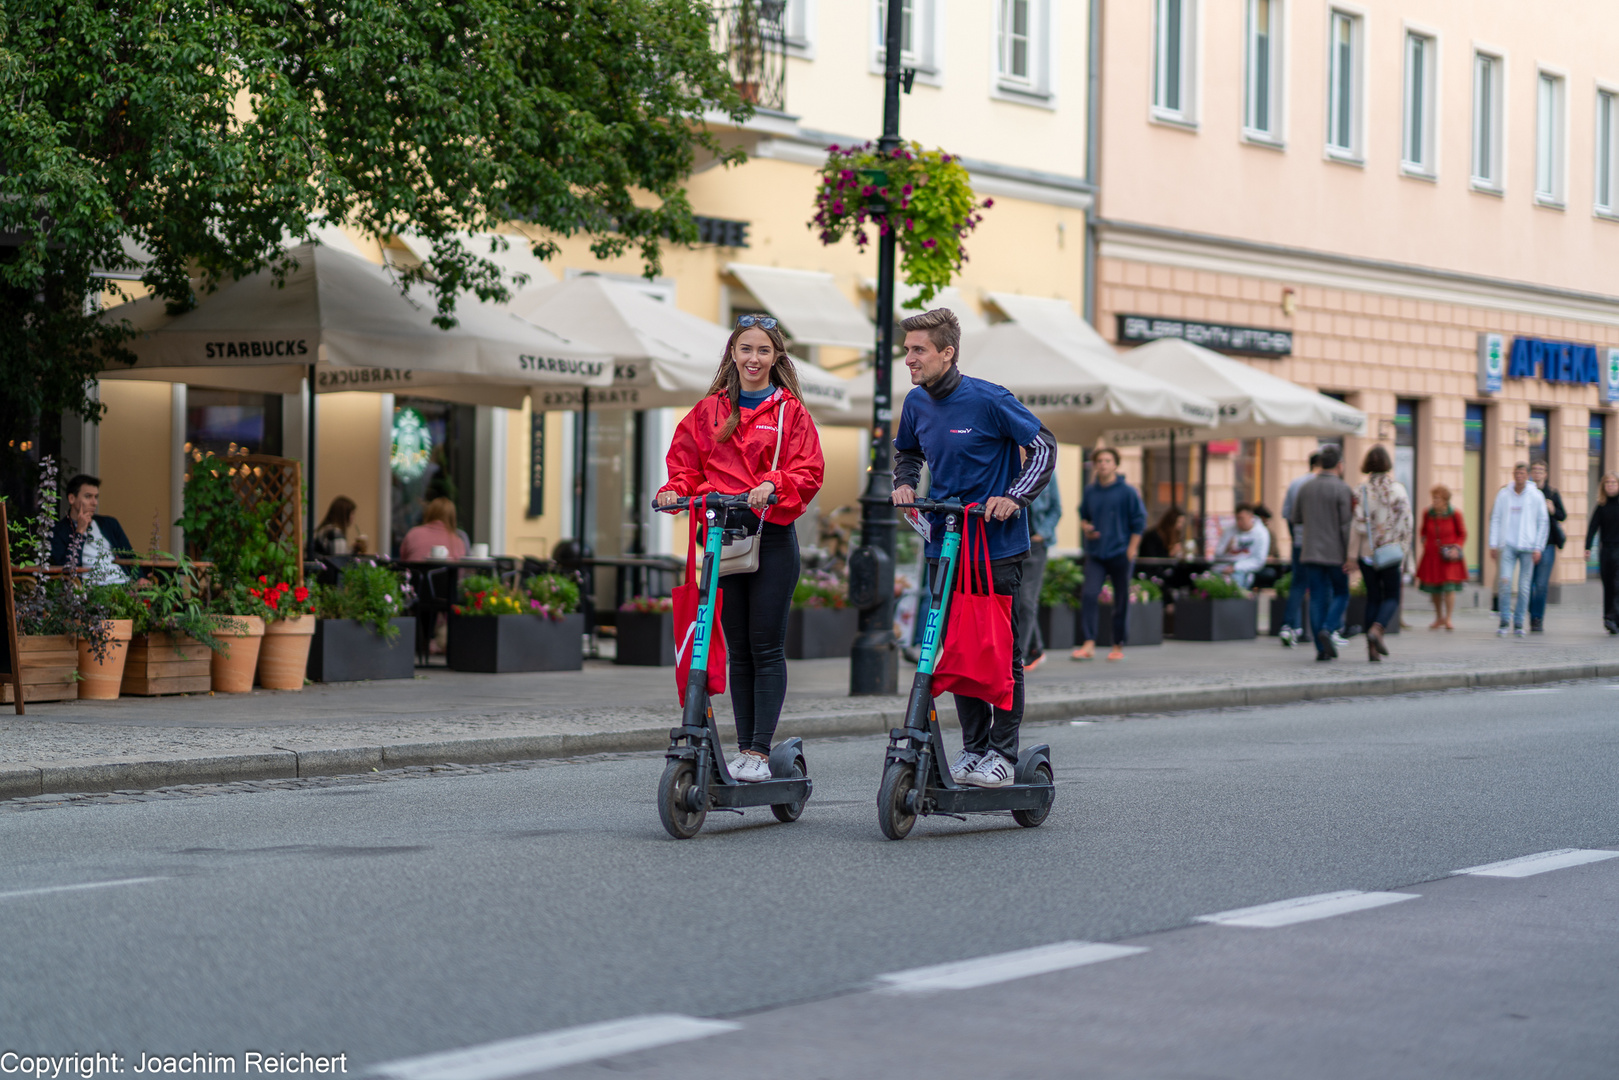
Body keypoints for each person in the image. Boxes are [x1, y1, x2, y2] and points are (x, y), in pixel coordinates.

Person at [892, 308, 1055, 788]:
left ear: (948, 352)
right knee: (956, 648)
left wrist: (1015, 496)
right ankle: (974, 749)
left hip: (996, 546)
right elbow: (908, 451)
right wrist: (904, 484)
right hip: (945, 543)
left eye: (918, 350)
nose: (909, 359)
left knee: (1000, 650)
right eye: (907, 350)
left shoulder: (989, 399)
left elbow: (1043, 446)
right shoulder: (916, 403)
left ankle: (1003, 754)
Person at [658, 314, 825, 783]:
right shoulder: (709, 409)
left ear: (776, 358)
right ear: (733, 353)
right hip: (723, 539)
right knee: (738, 652)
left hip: (770, 538)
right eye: (746, 349)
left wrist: (773, 482)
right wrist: (674, 489)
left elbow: (808, 470)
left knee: (765, 646)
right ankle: (743, 750)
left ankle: (757, 750)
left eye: (764, 351)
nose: (754, 359)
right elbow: (687, 463)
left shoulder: (790, 411)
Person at [1072, 448, 1146, 663]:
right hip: (1096, 552)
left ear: (1115, 464)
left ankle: (1117, 644)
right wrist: (1086, 527)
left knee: (1121, 599)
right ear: (1095, 465)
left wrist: (1131, 550)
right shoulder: (1090, 491)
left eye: (1107, 460)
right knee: (1088, 595)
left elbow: (1139, 522)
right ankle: (1088, 643)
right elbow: (1084, 516)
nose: (1103, 464)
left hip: (1121, 553)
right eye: (1099, 461)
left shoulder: (1128, 492)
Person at [1290, 444, 1352, 661]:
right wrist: (1350, 555)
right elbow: (1346, 525)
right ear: (1339, 465)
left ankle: (1320, 648)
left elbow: (1295, 517)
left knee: (1317, 597)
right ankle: (1328, 627)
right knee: (1342, 593)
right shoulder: (1342, 489)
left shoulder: (1306, 487)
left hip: (1310, 551)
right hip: (1335, 553)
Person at [1351, 446, 1412, 662]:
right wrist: (1404, 552)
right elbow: (1407, 523)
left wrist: (1352, 555)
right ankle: (1377, 629)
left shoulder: (1360, 491)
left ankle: (1371, 650)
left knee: (1373, 597)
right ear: (1387, 464)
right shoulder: (1398, 490)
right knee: (1392, 596)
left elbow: (1355, 526)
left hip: (1367, 553)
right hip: (1390, 552)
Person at [1488, 462, 1548, 638]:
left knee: (1523, 586)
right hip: (1508, 544)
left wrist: (1538, 547)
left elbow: (1542, 522)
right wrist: (1493, 543)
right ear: (1513, 474)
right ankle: (1505, 620)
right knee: (1504, 582)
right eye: (1517, 473)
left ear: (1527, 475)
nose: (1519, 476)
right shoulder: (1504, 494)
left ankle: (1520, 622)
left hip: (1528, 546)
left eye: (1522, 473)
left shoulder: (1535, 496)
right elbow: (1496, 518)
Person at [1014, 473, 1061, 672]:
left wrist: (1043, 533)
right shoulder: (1007, 466)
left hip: (1036, 544)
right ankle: (1037, 649)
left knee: (1025, 601)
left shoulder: (1045, 471)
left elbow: (1056, 509)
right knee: (1016, 600)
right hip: (1011, 544)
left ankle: (1019, 656)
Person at [49, 474, 134, 585]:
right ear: (71, 499)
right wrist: (79, 532)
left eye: (96, 497)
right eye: (88, 496)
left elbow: (131, 557)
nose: (95, 503)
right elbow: (66, 569)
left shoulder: (110, 524)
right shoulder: (58, 532)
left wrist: (141, 578)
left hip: (124, 585)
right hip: (92, 591)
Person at [1277, 452, 1322, 647]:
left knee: (1298, 584)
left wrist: (1295, 535)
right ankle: (1316, 630)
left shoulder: (1296, 483)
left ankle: (1289, 626)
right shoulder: (1319, 484)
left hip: (1299, 541)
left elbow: (1287, 514)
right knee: (1319, 587)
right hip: (1319, 543)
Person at [1416, 484, 1468, 630]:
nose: (1434, 501)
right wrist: (1424, 542)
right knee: (1435, 588)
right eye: (1433, 498)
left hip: (1449, 556)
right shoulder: (1428, 513)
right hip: (1432, 555)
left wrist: (1456, 548)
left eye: (1437, 498)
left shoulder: (1455, 514)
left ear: (1445, 500)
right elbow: (1423, 531)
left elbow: (1462, 534)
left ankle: (1449, 618)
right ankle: (1438, 617)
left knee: (1449, 587)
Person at [1527, 461, 1566, 632]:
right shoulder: (1527, 493)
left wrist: (1552, 510)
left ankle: (1537, 618)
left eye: (1541, 471)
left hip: (1548, 544)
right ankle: (1529, 610)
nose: (1537, 473)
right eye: (1534, 470)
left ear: (1546, 474)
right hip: (1528, 543)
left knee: (1541, 584)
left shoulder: (1552, 493)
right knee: (1527, 583)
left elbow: (1562, 515)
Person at [1586, 472, 1619, 634]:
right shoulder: (1601, 506)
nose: (1611, 485)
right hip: (1606, 549)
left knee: (1618, 585)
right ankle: (1608, 618)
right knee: (1608, 585)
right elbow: (1593, 527)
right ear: (1603, 487)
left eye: (1613, 482)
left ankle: (1614, 617)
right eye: (1608, 483)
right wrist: (1587, 547)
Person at [1212, 503, 1271, 589]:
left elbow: (1258, 561)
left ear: (1251, 516)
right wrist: (1226, 548)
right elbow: (1217, 555)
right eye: (1237, 519)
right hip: (1223, 567)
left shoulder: (1261, 533)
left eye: (1242, 519)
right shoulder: (1229, 531)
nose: (1239, 522)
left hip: (1243, 569)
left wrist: (1235, 567)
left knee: (1236, 581)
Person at [399, 497, 468, 561]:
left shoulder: (413, 533)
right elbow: (461, 572)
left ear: (429, 513)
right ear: (452, 518)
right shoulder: (458, 541)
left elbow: (403, 561)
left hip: (416, 574)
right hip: (447, 574)